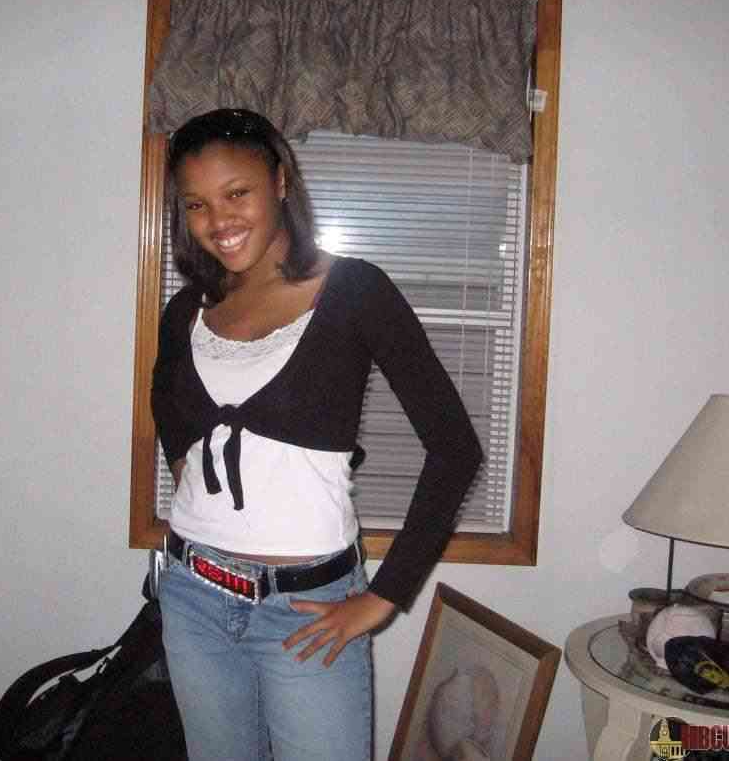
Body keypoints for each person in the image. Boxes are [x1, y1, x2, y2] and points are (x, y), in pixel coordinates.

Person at [151, 108, 482, 761]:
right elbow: (170, 413)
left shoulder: (354, 289)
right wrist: (192, 477)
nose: (218, 220)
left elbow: (454, 447)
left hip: (307, 612)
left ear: (279, 181)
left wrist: (386, 596)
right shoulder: (185, 310)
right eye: (197, 204)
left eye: (236, 193)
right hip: (193, 598)